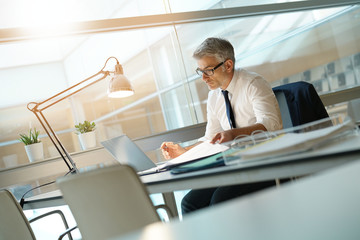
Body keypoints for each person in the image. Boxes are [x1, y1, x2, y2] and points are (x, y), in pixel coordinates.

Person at [161, 37, 283, 215]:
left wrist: (234, 134)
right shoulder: (214, 96)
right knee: (189, 203)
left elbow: (271, 124)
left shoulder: (253, 84)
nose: (203, 78)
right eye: (200, 71)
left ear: (227, 65)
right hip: (233, 165)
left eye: (208, 70)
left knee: (220, 201)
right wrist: (184, 151)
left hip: (262, 163)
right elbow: (211, 138)